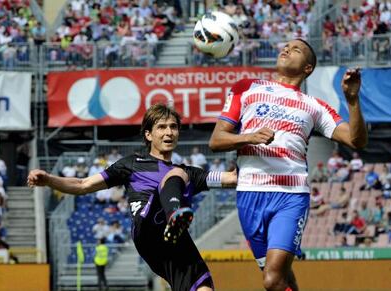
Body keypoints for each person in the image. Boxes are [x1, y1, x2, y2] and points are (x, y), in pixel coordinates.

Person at [209, 38, 367, 291]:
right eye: (285, 46)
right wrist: (248, 136)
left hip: (290, 196)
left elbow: (356, 140)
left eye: (296, 50)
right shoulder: (246, 88)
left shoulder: (314, 106)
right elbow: (216, 140)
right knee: (281, 280)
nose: (286, 49)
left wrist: (352, 100)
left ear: (308, 68)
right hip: (249, 194)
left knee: (272, 279)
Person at [28, 104, 237, 291]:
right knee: (176, 174)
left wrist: (249, 145)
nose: (169, 132)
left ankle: (176, 219)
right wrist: (49, 180)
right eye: (162, 127)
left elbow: (231, 179)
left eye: (173, 127)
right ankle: (174, 213)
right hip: (148, 227)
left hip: (176, 240)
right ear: (148, 134)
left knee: (204, 287)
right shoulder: (132, 164)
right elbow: (83, 185)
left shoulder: (190, 173)